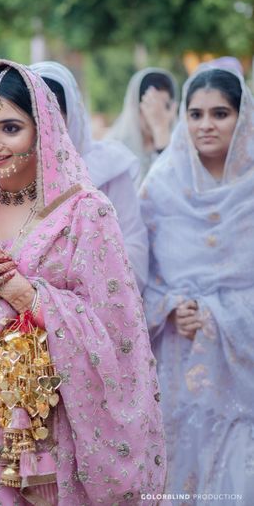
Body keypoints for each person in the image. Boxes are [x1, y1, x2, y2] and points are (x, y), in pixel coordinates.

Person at [0, 60, 166, 506]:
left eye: (10, 128)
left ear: (42, 129)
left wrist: (29, 297)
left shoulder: (86, 213)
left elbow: (117, 334)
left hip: (44, 435)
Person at [140, 65, 254, 500]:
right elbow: (132, 276)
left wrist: (218, 313)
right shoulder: (159, 188)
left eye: (220, 114)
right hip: (176, 359)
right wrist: (169, 306)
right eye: (196, 114)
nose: (206, 125)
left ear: (242, 119)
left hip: (242, 370)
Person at [30, 61, 148, 291]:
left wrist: (76, 278)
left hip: (99, 307)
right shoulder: (12, 172)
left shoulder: (108, 168)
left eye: (52, 117)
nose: (42, 129)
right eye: (33, 118)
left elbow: (134, 246)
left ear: (71, 116)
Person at [108, 68, 178, 184]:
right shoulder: (114, 148)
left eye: (164, 106)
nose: (157, 113)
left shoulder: (181, 146)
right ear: (135, 106)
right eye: (151, 105)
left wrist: (161, 134)